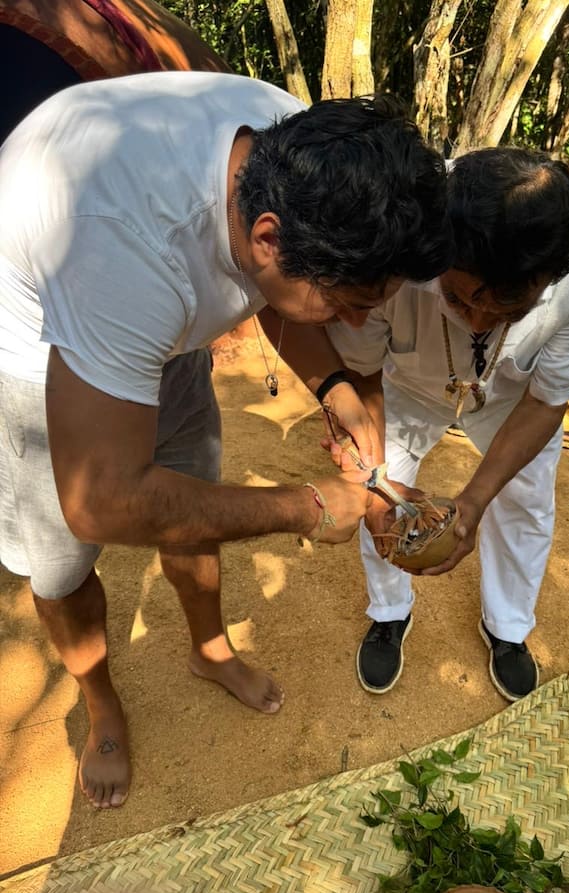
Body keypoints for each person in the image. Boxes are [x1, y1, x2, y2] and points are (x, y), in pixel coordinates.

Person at [0, 71, 450, 809]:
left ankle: (210, 649)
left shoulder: (294, 148)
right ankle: (100, 701)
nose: (357, 325)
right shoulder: (126, 254)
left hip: (160, 330)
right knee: (61, 566)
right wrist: (305, 508)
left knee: (192, 502)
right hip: (40, 349)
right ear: (267, 237)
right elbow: (101, 502)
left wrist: (335, 387)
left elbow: (274, 286)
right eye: (347, 303)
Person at [326, 147, 569, 701]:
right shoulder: (394, 231)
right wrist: (373, 474)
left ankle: (507, 627)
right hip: (406, 380)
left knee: (526, 499)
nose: (477, 322)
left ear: (554, 277)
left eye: (507, 310)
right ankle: (390, 611)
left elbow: (547, 402)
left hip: (516, 394)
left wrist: (473, 501)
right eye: (457, 297)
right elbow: (361, 371)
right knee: (383, 493)